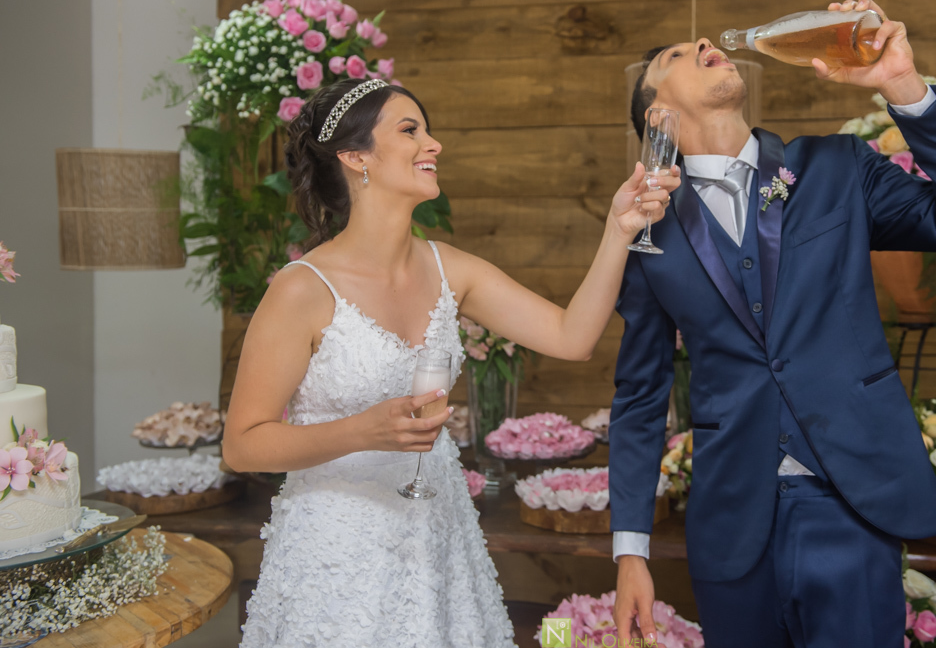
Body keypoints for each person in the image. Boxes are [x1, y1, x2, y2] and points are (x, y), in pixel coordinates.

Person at [610, 0, 936, 648]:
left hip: (853, 503)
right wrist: (631, 549)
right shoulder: (646, 232)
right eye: (676, 55)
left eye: (705, 41)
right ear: (658, 114)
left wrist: (902, 85)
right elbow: (639, 394)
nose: (706, 43)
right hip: (731, 524)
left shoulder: (837, 167)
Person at [223, 77, 679, 648]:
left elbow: (572, 337)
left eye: (429, 130)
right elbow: (242, 444)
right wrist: (363, 431)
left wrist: (618, 230)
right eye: (410, 130)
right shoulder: (301, 289)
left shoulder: (450, 269)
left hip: (437, 542)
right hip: (336, 560)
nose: (433, 144)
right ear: (356, 157)